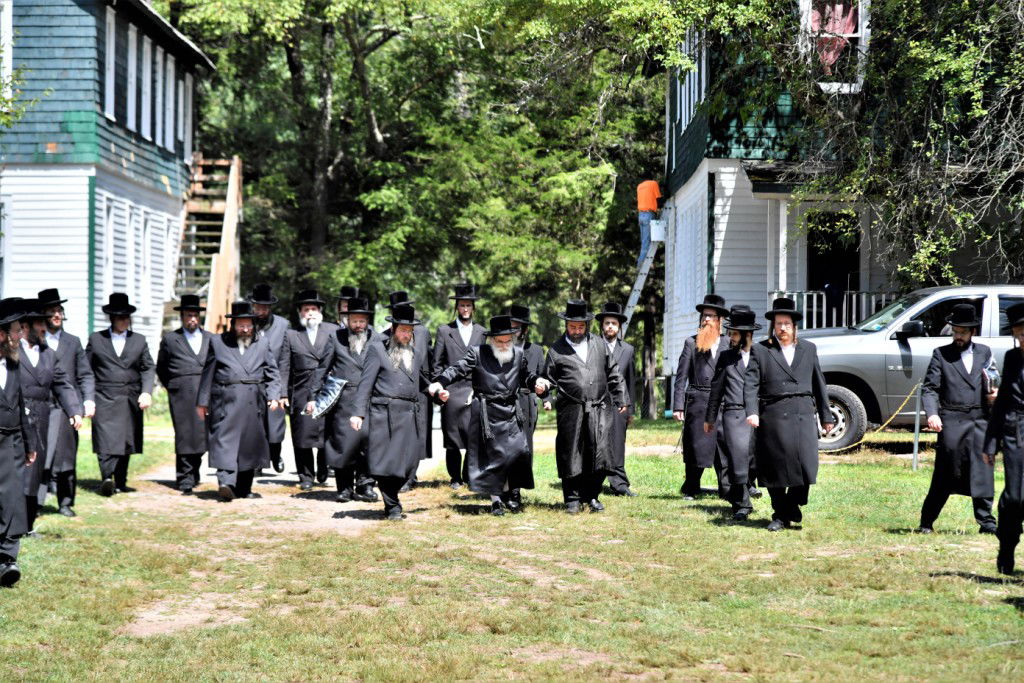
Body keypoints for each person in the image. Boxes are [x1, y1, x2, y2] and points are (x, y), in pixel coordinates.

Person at [430, 315, 549, 515]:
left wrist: (537, 383)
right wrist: (440, 383)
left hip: (511, 411)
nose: (504, 345)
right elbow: (456, 370)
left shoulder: (518, 354)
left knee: (518, 452)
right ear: (491, 340)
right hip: (487, 412)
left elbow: (526, 375)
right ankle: (495, 501)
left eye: (507, 341)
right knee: (493, 457)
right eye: (499, 342)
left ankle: (512, 493)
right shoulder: (477, 354)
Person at [745, 297, 834, 531]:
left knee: (806, 465)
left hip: (803, 412)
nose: (782, 328)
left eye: (786, 323)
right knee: (775, 467)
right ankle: (780, 514)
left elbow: (819, 383)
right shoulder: (761, 350)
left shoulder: (808, 349)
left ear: (794, 325)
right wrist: (752, 412)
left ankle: (792, 504)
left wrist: (826, 416)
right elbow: (751, 384)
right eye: (777, 323)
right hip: (773, 414)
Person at [917, 303, 998, 534]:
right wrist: (932, 414)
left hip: (981, 419)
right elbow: (930, 388)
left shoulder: (984, 352)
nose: (958, 336)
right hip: (952, 419)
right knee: (946, 469)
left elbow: (993, 379)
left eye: (963, 332)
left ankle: (987, 522)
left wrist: (995, 393)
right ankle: (927, 521)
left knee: (983, 469)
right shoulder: (941, 354)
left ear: (972, 331)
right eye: (955, 331)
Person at [543, 300, 629, 514]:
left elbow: (613, 371)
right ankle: (572, 499)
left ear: (587, 325)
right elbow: (547, 379)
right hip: (571, 411)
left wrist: (621, 397)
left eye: (581, 327)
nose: (577, 331)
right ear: (566, 325)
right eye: (573, 326)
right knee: (571, 453)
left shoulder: (599, 344)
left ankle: (591, 495)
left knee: (599, 453)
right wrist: (545, 395)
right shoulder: (556, 350)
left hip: (599, 408)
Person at [350, 304, 432, 520]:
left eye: (410, 331)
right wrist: (358, 412)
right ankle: (392, 505)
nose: (407, 335)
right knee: (387, 463)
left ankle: (392, 497)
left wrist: (433, 388)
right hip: (383, 414)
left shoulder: (415, 352)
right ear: (394, 328)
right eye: (403, 330)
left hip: (409, 414)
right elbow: (365, 383)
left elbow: (418, 379)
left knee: (409, 463)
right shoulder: (377, 349)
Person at [197, 301, 282, 502]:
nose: (245, 329)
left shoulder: (262, 343)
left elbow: (272, 372)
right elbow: (207, 373)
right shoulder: (218, 343)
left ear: (253, 325)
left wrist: (274, 396)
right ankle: (225, 483)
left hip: (254, 401)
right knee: (224, 442)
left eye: (248, 325)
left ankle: (244, 488)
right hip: (225, 400)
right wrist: (202, 402)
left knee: (249, 445)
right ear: (233, 325)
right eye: (241, 325)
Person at [18, 301, 82, 533]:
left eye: (45, 324)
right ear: (26, 326)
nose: (44, 328)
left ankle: (27, 524)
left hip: (41, 418)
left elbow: (63, 384)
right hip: (15, 419)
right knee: (16, 472)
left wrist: (74, 410)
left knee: (34, 472)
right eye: (40, 324)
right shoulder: (11, 351)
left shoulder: (48, 354)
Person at [309, 295, 379, 503]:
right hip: (343, 400)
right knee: (343, 444)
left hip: (370, 399)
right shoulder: (336, 338)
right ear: (347, 320)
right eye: (354, 321)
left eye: (361, 321)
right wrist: (313, 396)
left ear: (367, 321)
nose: (358, 325)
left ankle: (365, 486)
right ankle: (344, 488)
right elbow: (322, 368)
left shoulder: (377, 339)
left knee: (368, 444)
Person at [86, 293, 155, 496]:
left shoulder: (139, 340)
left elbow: (148, 367)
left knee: (126, 440)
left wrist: (146, 392)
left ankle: (121, 480)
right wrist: (88, 396)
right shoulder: (96, 339)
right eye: (120, 317)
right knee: (106, 439)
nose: (124, 321)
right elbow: (86, 369)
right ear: (112, 318)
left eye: (127, 317)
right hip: (104, 396)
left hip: (129, 397)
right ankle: (107, 477)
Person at [37, 288, 94, 517]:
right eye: (52, 311)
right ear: (43, 316)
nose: (57, 315)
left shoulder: (73, 342)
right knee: (41, 457)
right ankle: (37, 504)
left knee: (66, 458)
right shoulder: (36, 342)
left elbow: (85, 374)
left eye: (59, 310)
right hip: (42, 406)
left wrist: (88, 400)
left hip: (67, 407)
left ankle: (65, 502)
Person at [705, 305, 761, 520]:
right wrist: (710, 418)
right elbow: (716, 389)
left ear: (747, 334)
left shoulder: (762, 354)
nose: (730, 337)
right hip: (733, 414)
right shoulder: (726, 357)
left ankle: (748, 490)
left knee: (754, 461)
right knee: (737, 460)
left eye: (735, 333)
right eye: (729, 333)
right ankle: (742, 504)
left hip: (758, 415)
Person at [672, 294, 731, 500]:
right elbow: (681, 377)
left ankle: (727, 489)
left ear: (719, 321)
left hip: (723, 403)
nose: (707, 320)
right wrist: (678, 405)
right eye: (705, 316)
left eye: (712, 317)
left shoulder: (728, 344)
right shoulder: (691, 342)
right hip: (698, 400)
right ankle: (691, 487)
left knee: (722, 447)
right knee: (696, 446)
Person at [279, 290, 338, 492]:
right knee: (302, 436)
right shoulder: (291, 335)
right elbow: (284, 365)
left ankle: (323, 467)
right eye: (306, 310)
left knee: (325, 432)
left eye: (314, 309)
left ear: (320, 311)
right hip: (301, 391)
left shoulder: (333, 330)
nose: (310, 313)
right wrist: (282, 393)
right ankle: (305, 476)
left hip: (326, 390)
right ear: (300, 312)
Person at [0, 298, 41, 588]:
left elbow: (21, 403)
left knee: (12, 501)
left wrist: (29, 442)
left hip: (13, 443)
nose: (20, 335)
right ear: (1, 334)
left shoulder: (13, 366)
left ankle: (7, 560)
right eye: (16, 331)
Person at [156, 294, 212, 496]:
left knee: (202, 437)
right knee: (185, 435)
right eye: (189, 315)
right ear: (182, 317)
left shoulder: (210, 339)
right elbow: (161, 367)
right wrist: (173, 387)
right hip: (181, 396)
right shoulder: (171, 339)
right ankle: (184, 478)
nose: (192, 320)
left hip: (205, 395)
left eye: (195, 315)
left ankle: (194, 472)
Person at [983, 302, 1024, 574]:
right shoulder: (1011, 358)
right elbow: (1003, 402)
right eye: (1018, 335)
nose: (1021, 340)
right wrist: (990, 441)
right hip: (1016, 431)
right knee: (1015, 496)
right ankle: (1007, 546)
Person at [433, 283, 486, 489]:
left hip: (474, 391)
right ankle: (455, 477)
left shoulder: (482, 332)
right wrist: (440, 389)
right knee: (453, 438)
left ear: (473, 308)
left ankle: (468, 474)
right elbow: (437, 364)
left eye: (468, 306)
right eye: (462, 305)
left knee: (473, 436)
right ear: (457, 307)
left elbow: (484, 363)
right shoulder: (445, 331)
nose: (465, 309)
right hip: (451, 390)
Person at [382, 291, 433, 491]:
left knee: (418, 434)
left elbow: (430, 362)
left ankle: (411, 476)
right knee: (398, 433)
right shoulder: (383, 337)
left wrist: (432, 386)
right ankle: (399, 473)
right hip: (396, 393)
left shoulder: (423, 333)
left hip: (420, 390)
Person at [508, 304, 549, 507]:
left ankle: (516, 489)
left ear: (525, 329)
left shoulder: (536, 351)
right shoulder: (500, 349)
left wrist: (546, 398)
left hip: (527, 403)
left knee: (524, 448)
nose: (515, 331)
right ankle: (506, 489)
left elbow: (543, 378)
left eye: (518, 328)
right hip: (504, 403)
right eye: (511, 327)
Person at [595, 302, 637, 497]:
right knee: (596, 441)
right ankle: (593, 480)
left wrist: (630, 409)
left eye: (613, 323)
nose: (610, 326)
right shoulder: (593, 346)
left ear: (619, 326)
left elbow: (630, 381)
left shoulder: (628, 350)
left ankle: (619, 483)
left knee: (618, 442)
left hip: (619, 404)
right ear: (601, 326)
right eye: (606, 323)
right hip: (597, 402)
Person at [248, 283, 289, 475]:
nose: (261, 310)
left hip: (276, 381)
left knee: (275, 425)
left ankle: (275, 454)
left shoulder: (283, 325)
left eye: (265, 307)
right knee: (254, 425)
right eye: (258, 306)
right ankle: (257, 461)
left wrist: (282, 391)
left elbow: (286, 359)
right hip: (253, 381)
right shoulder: (246, 324)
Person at [636, 179, 662, 267]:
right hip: (648, 215)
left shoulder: (639, 186)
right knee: (647, 241)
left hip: (641, 215)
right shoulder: (654, 184)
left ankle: (643, 261)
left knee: (644, 240)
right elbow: (658, 199)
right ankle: (642, 263)